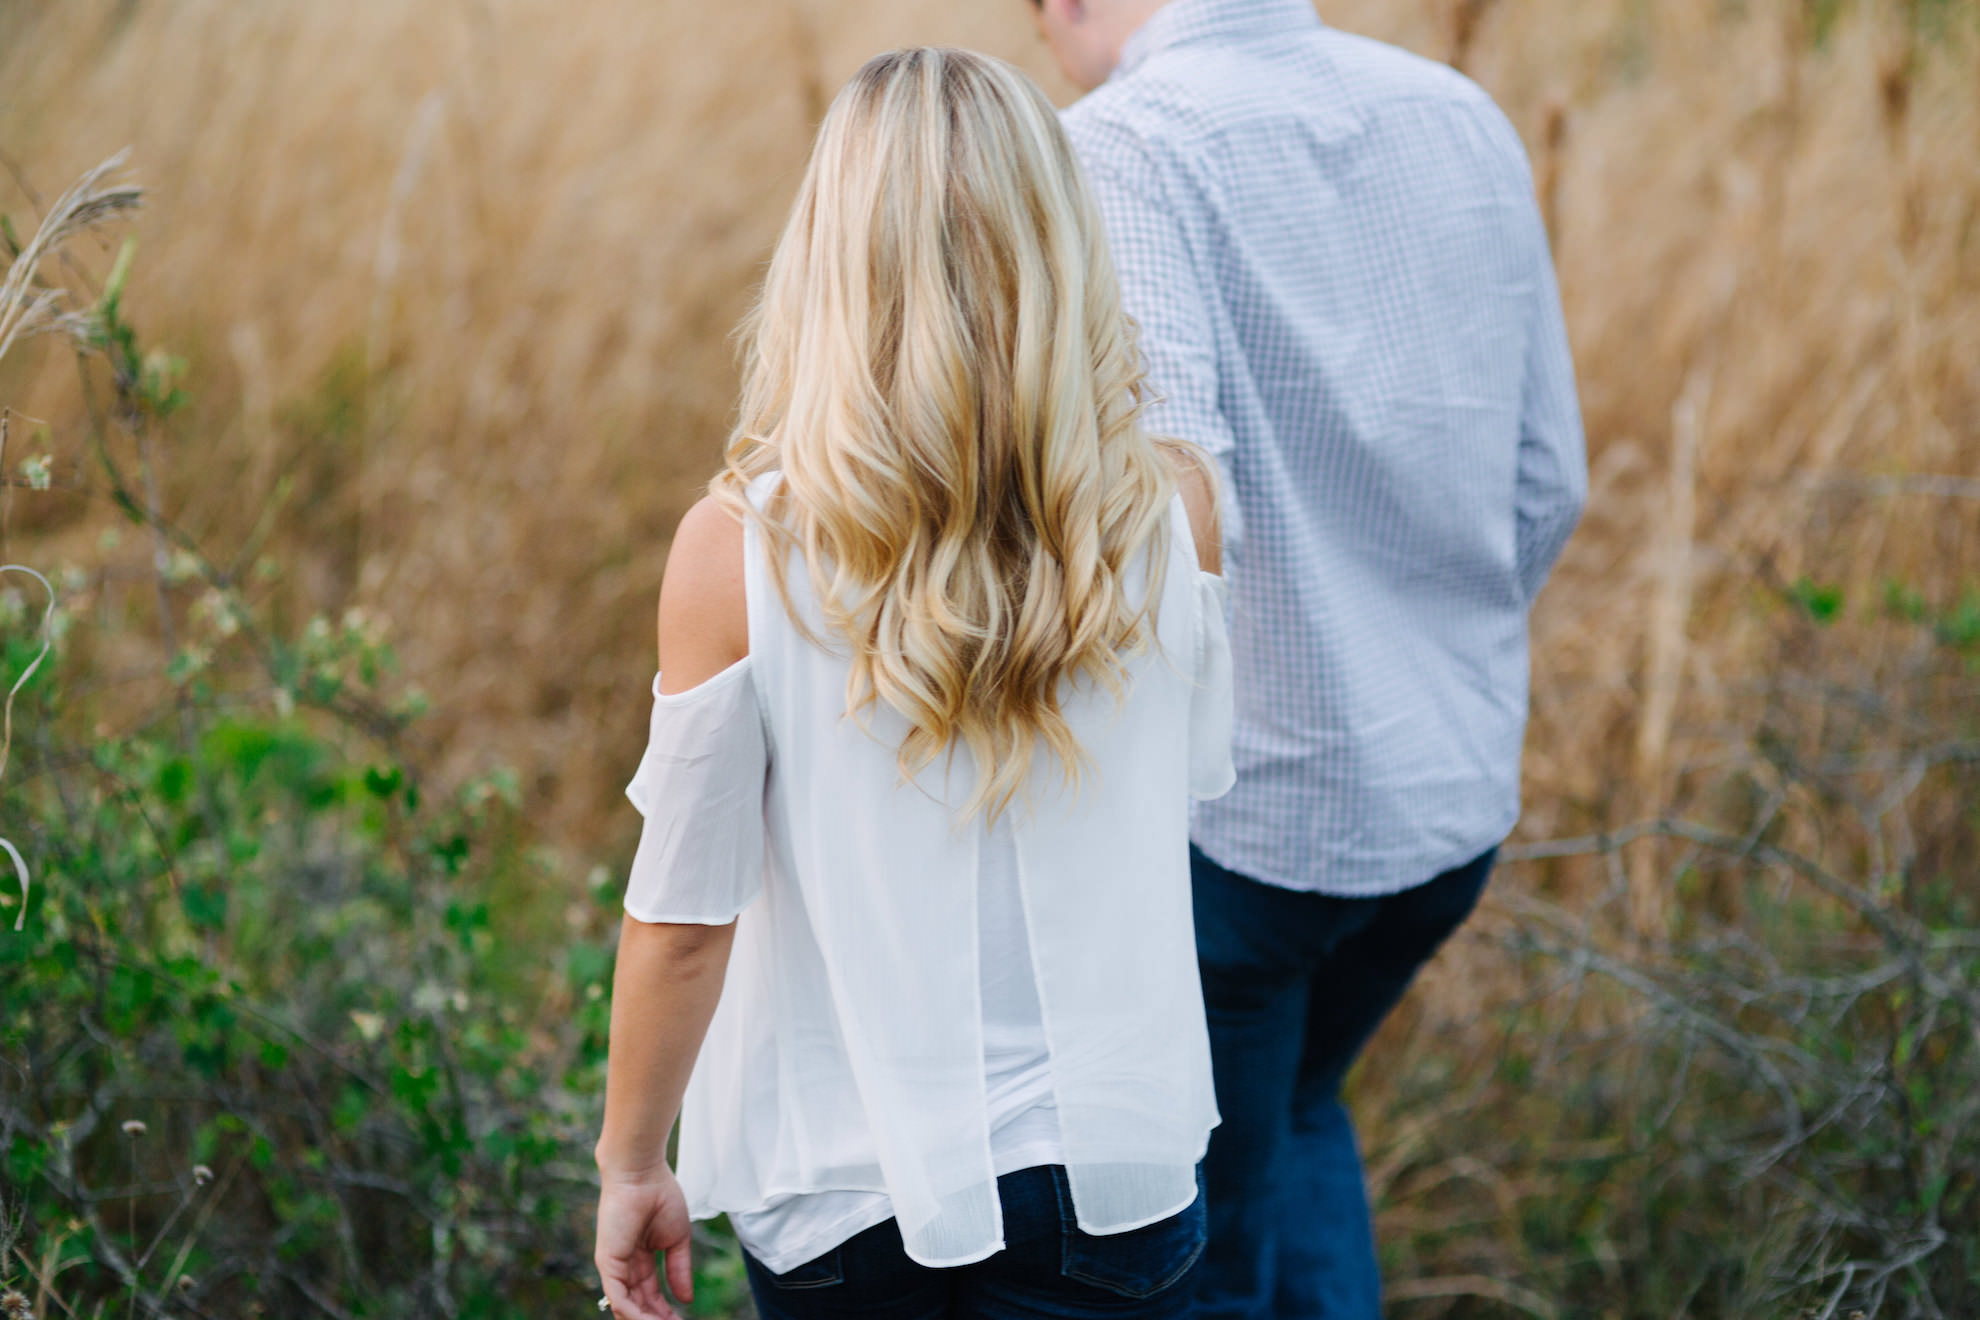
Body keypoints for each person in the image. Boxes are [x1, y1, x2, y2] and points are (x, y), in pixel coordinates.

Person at [590, 46, 1239, 1320]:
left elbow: (684, 923)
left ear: (831, 260)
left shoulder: (739, 553)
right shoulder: (1172, 514)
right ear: (1060, 247)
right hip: (1111, 1173)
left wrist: (631, 1160)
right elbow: (1185, 797)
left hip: (848, 1186)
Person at [1027, 1, 1590, 1316]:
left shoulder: (1119, 148)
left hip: (1247, 824)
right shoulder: (1461, 114)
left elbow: (1165, 526)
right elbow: (1549, 481)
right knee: (1298, 1113)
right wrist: (1425, 656)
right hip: (1447, 800)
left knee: (1200, 1229)